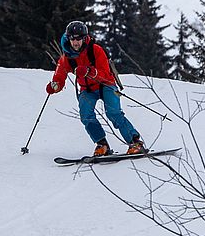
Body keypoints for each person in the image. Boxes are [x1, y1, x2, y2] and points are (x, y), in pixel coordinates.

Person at [46, 20, 146, 157]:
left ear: (84, 38)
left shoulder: (96, 50)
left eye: (78, 39)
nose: (75, 42)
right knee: (86, 115)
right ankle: (102, 144)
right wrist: (55, 86)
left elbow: (105, 75)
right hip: (87, 89)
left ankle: (135, 142)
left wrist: (88, 71)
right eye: (72, 38)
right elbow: (59, 76)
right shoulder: (66, 57)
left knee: (113, 113)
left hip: (106, 85)